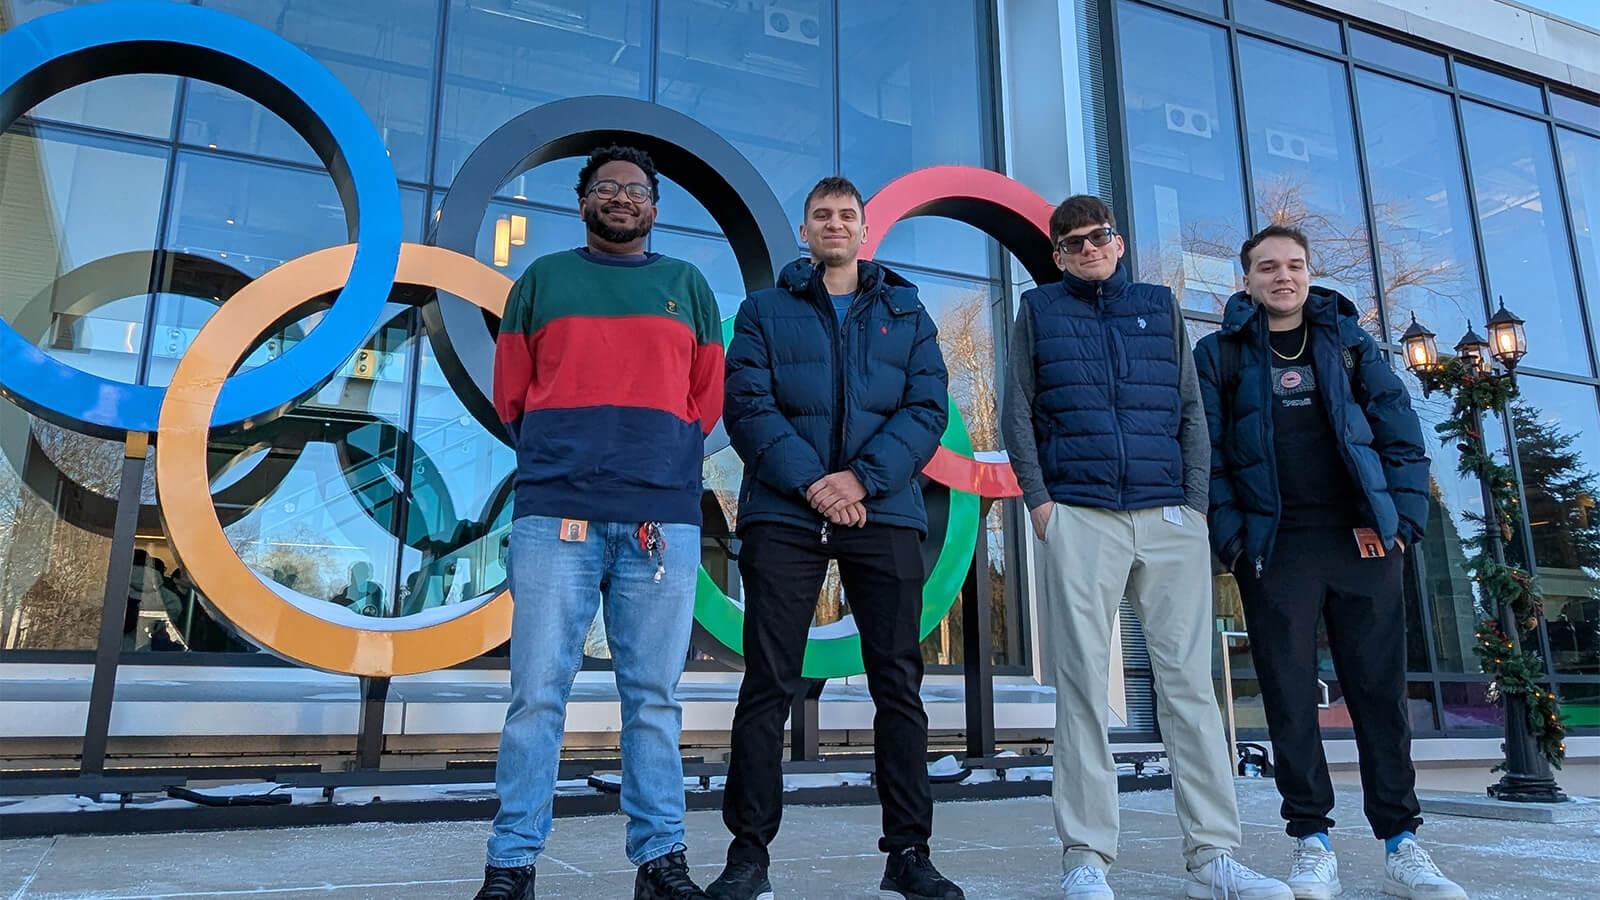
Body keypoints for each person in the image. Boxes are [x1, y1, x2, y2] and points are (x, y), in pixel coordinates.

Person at [1001, 195, 1291, 900]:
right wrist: (1042, 507)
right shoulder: (1039, 312)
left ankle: (1214, 858)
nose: (1086, 249)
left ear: (1119, 242)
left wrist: (1193, 506)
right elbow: (1017, 410)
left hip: (1167, 517)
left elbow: (1192, 411)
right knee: (1079, 691)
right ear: (1059, 254)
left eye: (1097, 237)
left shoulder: (1159, 307)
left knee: (1190, 690)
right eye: (1071, 243)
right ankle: (1087, 859)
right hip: (1079, 514)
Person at [474, 144, 725, 900]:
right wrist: (568, 455)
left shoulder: (687, 284)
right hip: (556, 512)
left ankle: (661, 861)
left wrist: (664, 452)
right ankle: (512, 864)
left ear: (655, 207)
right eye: (607, 187)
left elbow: (706, 398)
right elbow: (511, 396)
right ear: (583, 200)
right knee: (536, 695)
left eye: (636, 190)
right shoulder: (543, 280)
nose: (622, 198)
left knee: (653, 697)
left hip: (661, 518)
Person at [708, 175, 962, 900]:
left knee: (898, 687)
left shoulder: (908, 312)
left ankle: (909, 853)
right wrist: (815, 483)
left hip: (882, 512)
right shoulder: (762, 311)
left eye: (846, 215)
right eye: (821, 214)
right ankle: (748, 856)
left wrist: (861, 480)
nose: (834, 224)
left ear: (863, 228)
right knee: (767, 685)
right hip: (785, 513)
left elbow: (926, 408)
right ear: (805, 230)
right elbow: (747, 408)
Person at [1194, 225, 1464, 900]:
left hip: (1362, 544)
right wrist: (1232, 539)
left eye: (1293, 265)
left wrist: (1400, 526)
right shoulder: (1218, 355)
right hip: (1277, 548)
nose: (1281, 276)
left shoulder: (1349, 343)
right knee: (1288, 700)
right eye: (1267, 267)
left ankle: (1402, 844)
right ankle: (1311, 843)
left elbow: (1402, 436)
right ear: (1247, 280)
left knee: (1378, 696)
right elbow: (1207, 459)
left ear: (1309, 272)